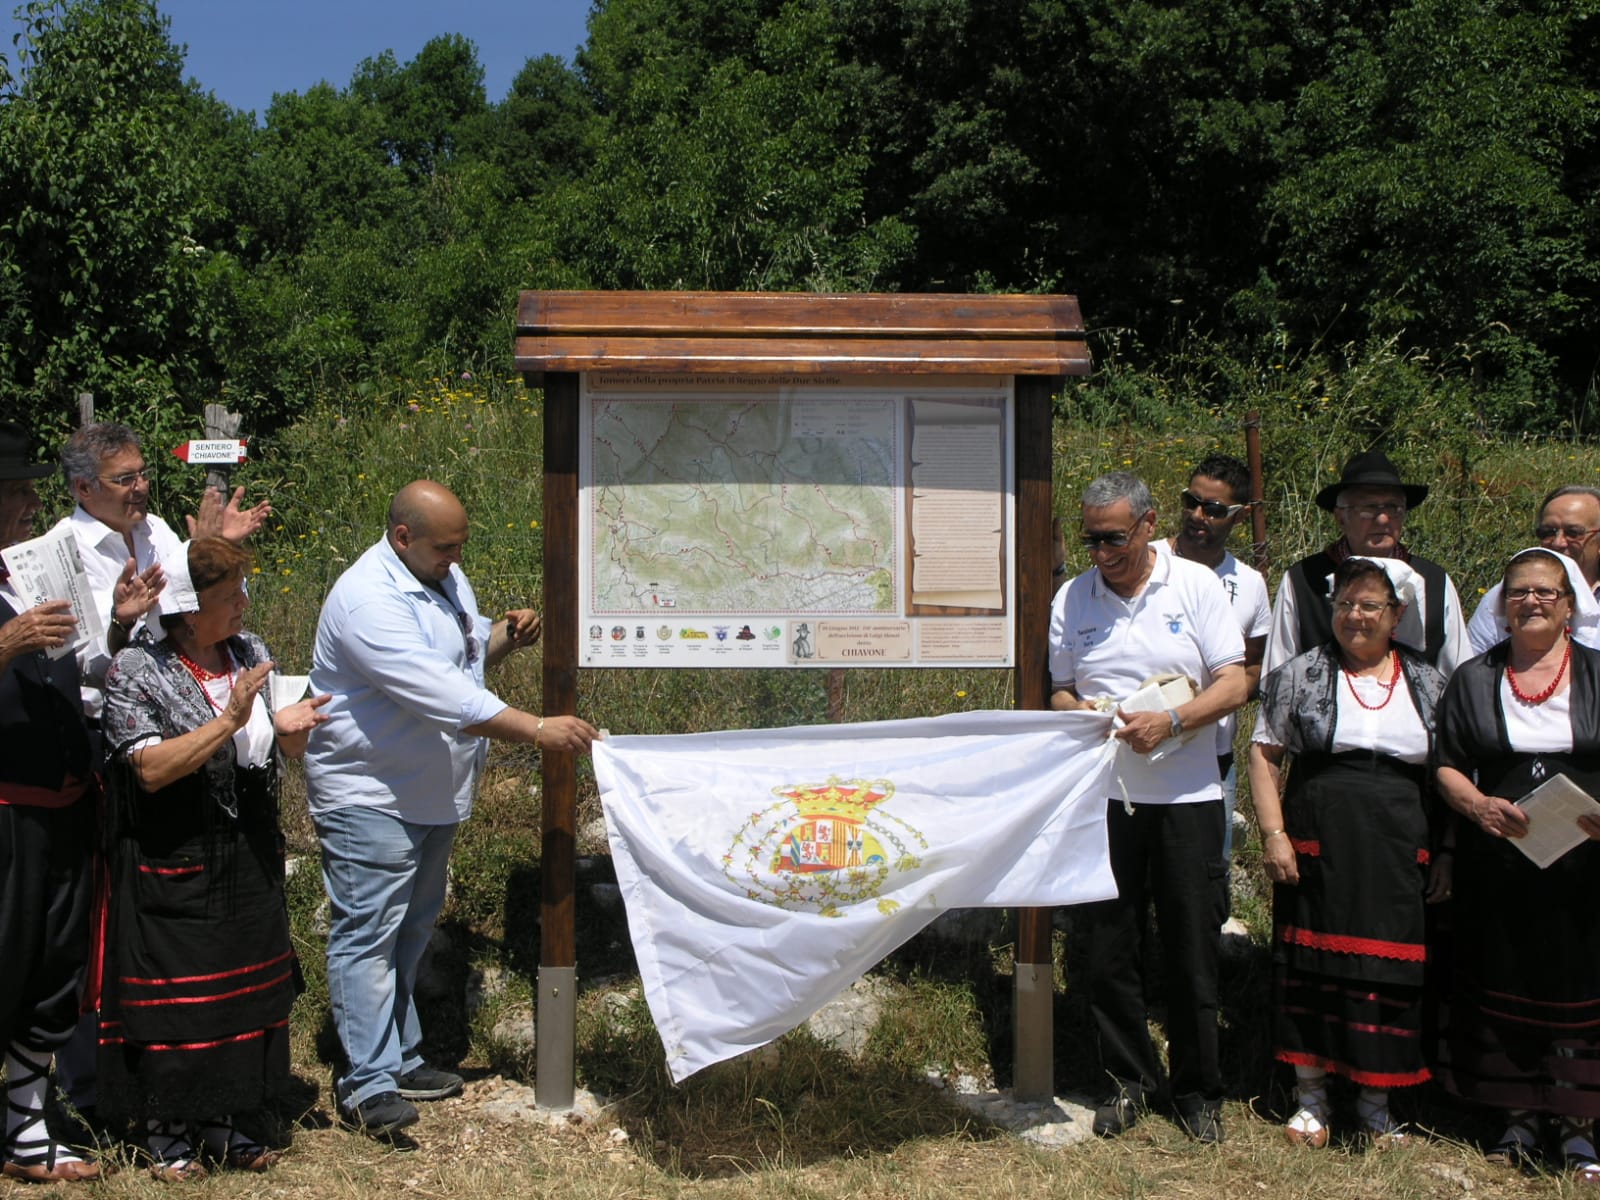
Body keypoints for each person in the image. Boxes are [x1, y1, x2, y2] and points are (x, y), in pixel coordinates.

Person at [305, 480, 599, 1138]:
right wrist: (537, 729)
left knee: (409, 930)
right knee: (368, 935)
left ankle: (400, 1057)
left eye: (461, 546)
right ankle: (365, 1083)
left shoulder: (439, 576)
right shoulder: (367, 601)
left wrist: (503, 637)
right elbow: (443, 695)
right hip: (372, 795)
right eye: (446, 548)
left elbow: (458, 659)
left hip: (430, 792)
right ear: (402, 537)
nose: (457, 559)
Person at [99, 538, 329, 1180]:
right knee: (180, 999)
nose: (243, 605)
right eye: (229, 596)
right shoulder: (137, 670)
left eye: (241, 591)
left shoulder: (249, 652)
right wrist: (229, 720)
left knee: (241, 991)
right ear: (187, 609)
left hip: (246, 854)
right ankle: (167, 1128)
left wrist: (290, 730)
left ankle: (224, 1116)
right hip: (174, 856)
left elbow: (274, 750)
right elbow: (148, 770)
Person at [1049, 471, 1248, 1143]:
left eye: (1114, 539)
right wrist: (1079, 712)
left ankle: (1198, 1091)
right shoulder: (1073, 598)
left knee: (1192, 946)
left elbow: (1235, 682)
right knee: (1110, 947)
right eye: (1091, 540)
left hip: (1187, 796)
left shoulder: (1193, 585)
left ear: (1147, 525)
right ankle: (1127, 1080)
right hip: (1106, 796)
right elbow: (1059, 689)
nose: (1102, 553)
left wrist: (1175, 722)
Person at [1249, 558, 1446, 1148]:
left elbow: (1447, 772)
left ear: (1397, 614)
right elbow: (1265, 753)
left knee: (1386, 972)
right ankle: (1311, 1100)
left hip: (1397, 843)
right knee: (1313, 966)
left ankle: (1375, 1104)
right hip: (1321, 837)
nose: (1355, 616)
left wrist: (1448, 853)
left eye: (1369, 605)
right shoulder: (1299, 674)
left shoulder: (1429, 682)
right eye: (1344, 605)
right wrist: (1274, 834)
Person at [1434, 548, 1600, 1181]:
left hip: (1587, 869)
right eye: (1518, 592)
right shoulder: (1473, 678)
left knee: (1580, 988)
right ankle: (1519, 1118)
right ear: (1502, 608)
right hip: (1500, 863)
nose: (1532, 601)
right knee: (1508, 980)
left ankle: (1580, 1127)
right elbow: (1446, 763)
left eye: (1546, 592)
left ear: (1569, 606)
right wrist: (1476, 805)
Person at [0, 424, 102, 1182]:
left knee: (53, 964)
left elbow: (81, 659)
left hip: (64, 802)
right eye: (18, 493)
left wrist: (119, 619)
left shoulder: (25, 569)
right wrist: (8, 644)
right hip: (7, 811)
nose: (33, 504)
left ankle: (25, 1123)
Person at [56, 422, 269, 721]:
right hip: (113, 721)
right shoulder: (66, 550)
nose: (141, 486)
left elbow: (207, 611)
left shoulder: (154, 529)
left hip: (185, 703)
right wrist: (122, 622)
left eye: (143, 473)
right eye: (125, 479)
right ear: (84, 487)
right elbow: (88, 664)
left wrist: (216, 552)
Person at [1155, 454, 1270, 868]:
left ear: (1240, 515)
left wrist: (1215, 700)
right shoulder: (1145, 560)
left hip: (1211, 758)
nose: (1197, 515)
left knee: (1206, 876)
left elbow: (1253, 666)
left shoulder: (1250, 585)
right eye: (1191, 501)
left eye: (1214, 509)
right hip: (1142, 745)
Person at [1265, 450, 1467, 674]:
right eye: (1368, 508)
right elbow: (1278, 672)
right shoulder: (1304, 580)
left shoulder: (1434, 582)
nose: (1382, 519)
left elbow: (1459, 675)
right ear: (1341, 517)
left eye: (1392, 508)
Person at [1467, 485, 1600, 655]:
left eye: (1573, 533)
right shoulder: (1502, 599)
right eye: (1548, 532)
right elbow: (1473, 663)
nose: (1558, 542)